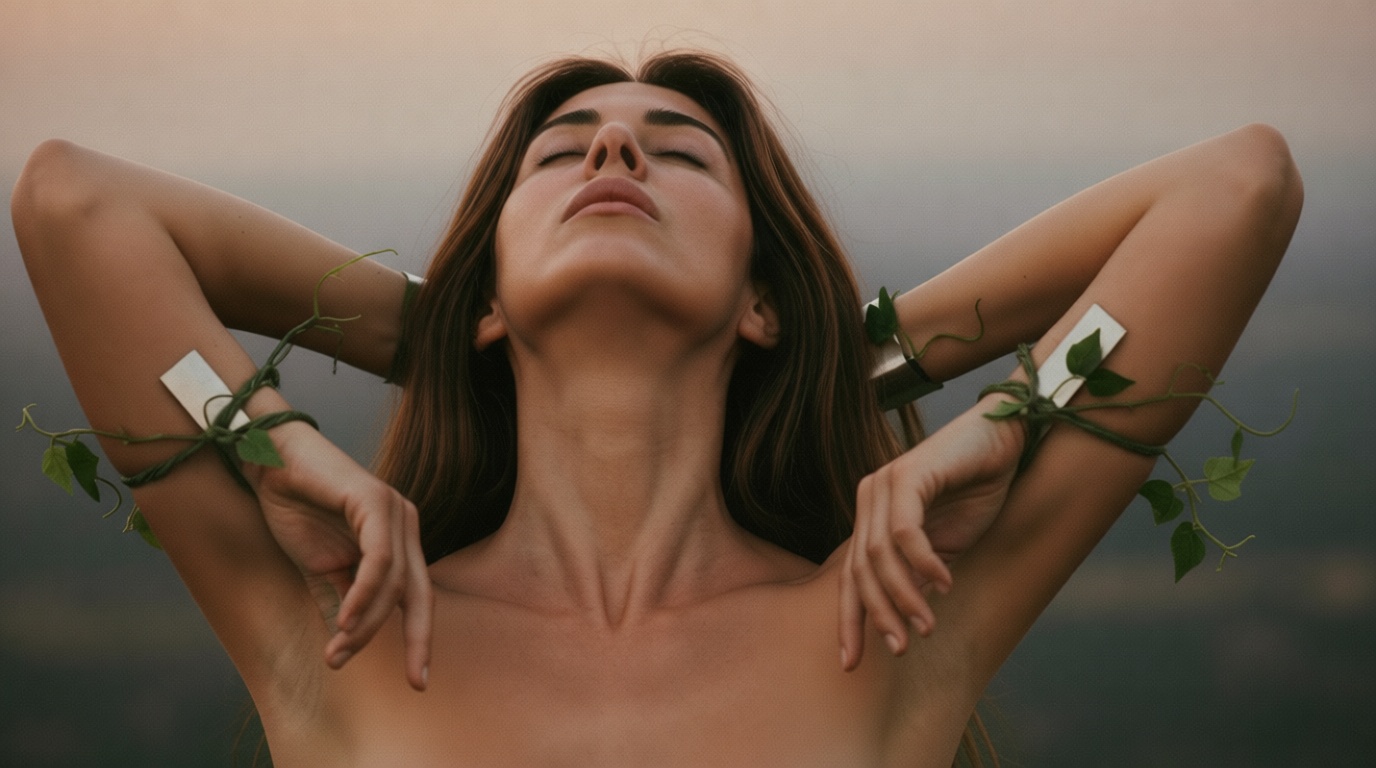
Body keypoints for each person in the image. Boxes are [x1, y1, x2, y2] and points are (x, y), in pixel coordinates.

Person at [12, 50, 1301, 767]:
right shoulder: (336, 620)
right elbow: (74, 202)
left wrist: (978, 413)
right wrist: (295, 422)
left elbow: (1236, 189)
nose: (616, 151)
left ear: (758, 300)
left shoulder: (898, 614)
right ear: (489, 294)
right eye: (564, 149)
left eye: (678, 150)